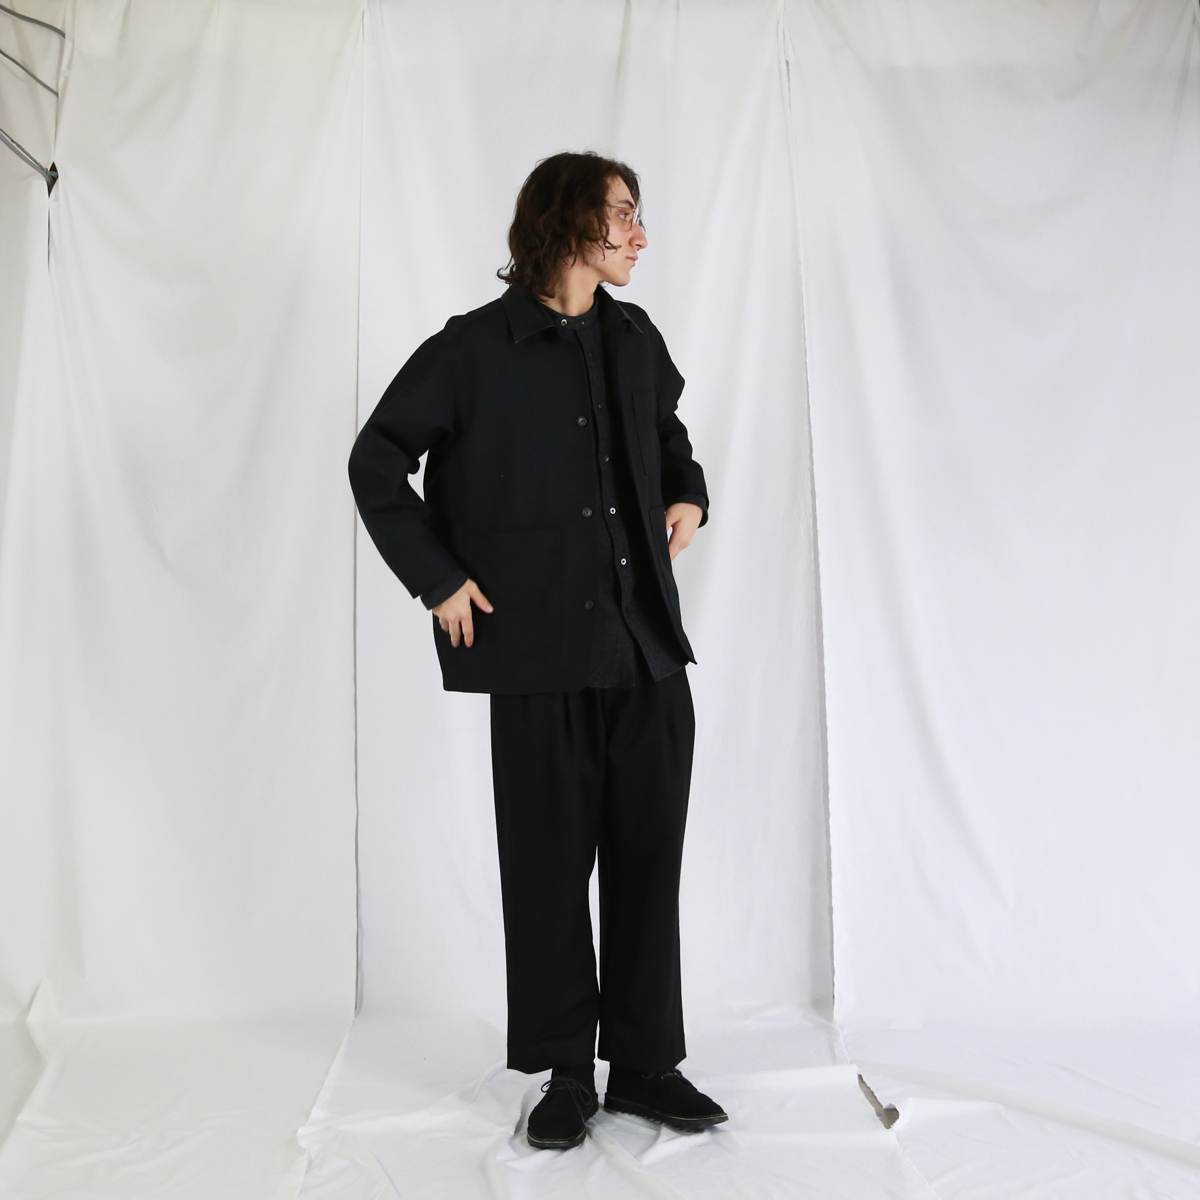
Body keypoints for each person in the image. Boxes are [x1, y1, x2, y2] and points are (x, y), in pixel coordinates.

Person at [349, 151, 726, 1150]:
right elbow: (377, 459)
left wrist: (688, 493)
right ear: (567, 222)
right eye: (623, 214)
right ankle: (566, 1071)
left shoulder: (635, 338)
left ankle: (644, 1064)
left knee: (647, 861)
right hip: (538, 656)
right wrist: (436, 577)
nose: (640, 235)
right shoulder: (472, 350)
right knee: (549, 871)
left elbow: (670, 435)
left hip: (646, 653)